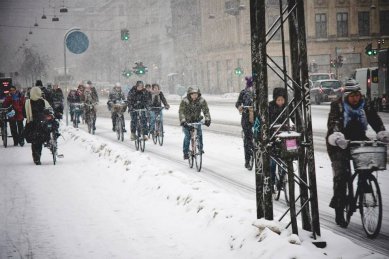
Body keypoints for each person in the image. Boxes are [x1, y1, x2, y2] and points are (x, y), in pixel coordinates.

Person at [326, 86, 388, 228]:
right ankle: (340, 208)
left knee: (366, 166)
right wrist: (337, 137)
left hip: (358, 138)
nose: (355, 99)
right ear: (346, 96)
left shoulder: (365, 104)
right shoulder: (338, 106)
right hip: (338, 142)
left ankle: (364, 182)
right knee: (342, 175)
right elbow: (334, 124)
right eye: (352, 96)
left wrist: (381, 133)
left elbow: (375, 120)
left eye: (357, 95)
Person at [179, 87, 211, 160]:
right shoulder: (185, 101)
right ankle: (186, 152)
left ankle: (200, 148)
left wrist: (207, 119)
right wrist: (183, 121)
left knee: (199, 134)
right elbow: (181, 112)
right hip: (187, 122)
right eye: (192, 94)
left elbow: (206, 111)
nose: (194, 96)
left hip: (197, 120)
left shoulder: (201, 101)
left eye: (196, 94)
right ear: (189, 94)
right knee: (188, 136)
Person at [24, 86, 52, 165]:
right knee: (39, 141)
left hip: (31, 124)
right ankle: (37, 156)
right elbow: (48, 110)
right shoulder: (43, 101)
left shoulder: (27, 103)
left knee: (34, 142)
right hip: (41, 124)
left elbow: (24, 114)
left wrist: (30, 116)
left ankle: (36, 157)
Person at [268, 87, 289, 190]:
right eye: (278, 100)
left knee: (286, 160)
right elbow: (267, 122)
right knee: (272, 163)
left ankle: (282, 179)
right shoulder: (270, 107)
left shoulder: (288, 107)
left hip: (284, 137)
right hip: (273, 138)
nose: (280, 102)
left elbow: (292, 119)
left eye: (282, 100)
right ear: (275, 99)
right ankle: (271, 183)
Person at [235, 76, 254, 169]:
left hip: (257, 117)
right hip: (246, 118)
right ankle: (247, 160)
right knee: (247, 139)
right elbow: (238, 103)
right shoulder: (243, 92)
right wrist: (240, 107)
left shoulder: (259, 92)